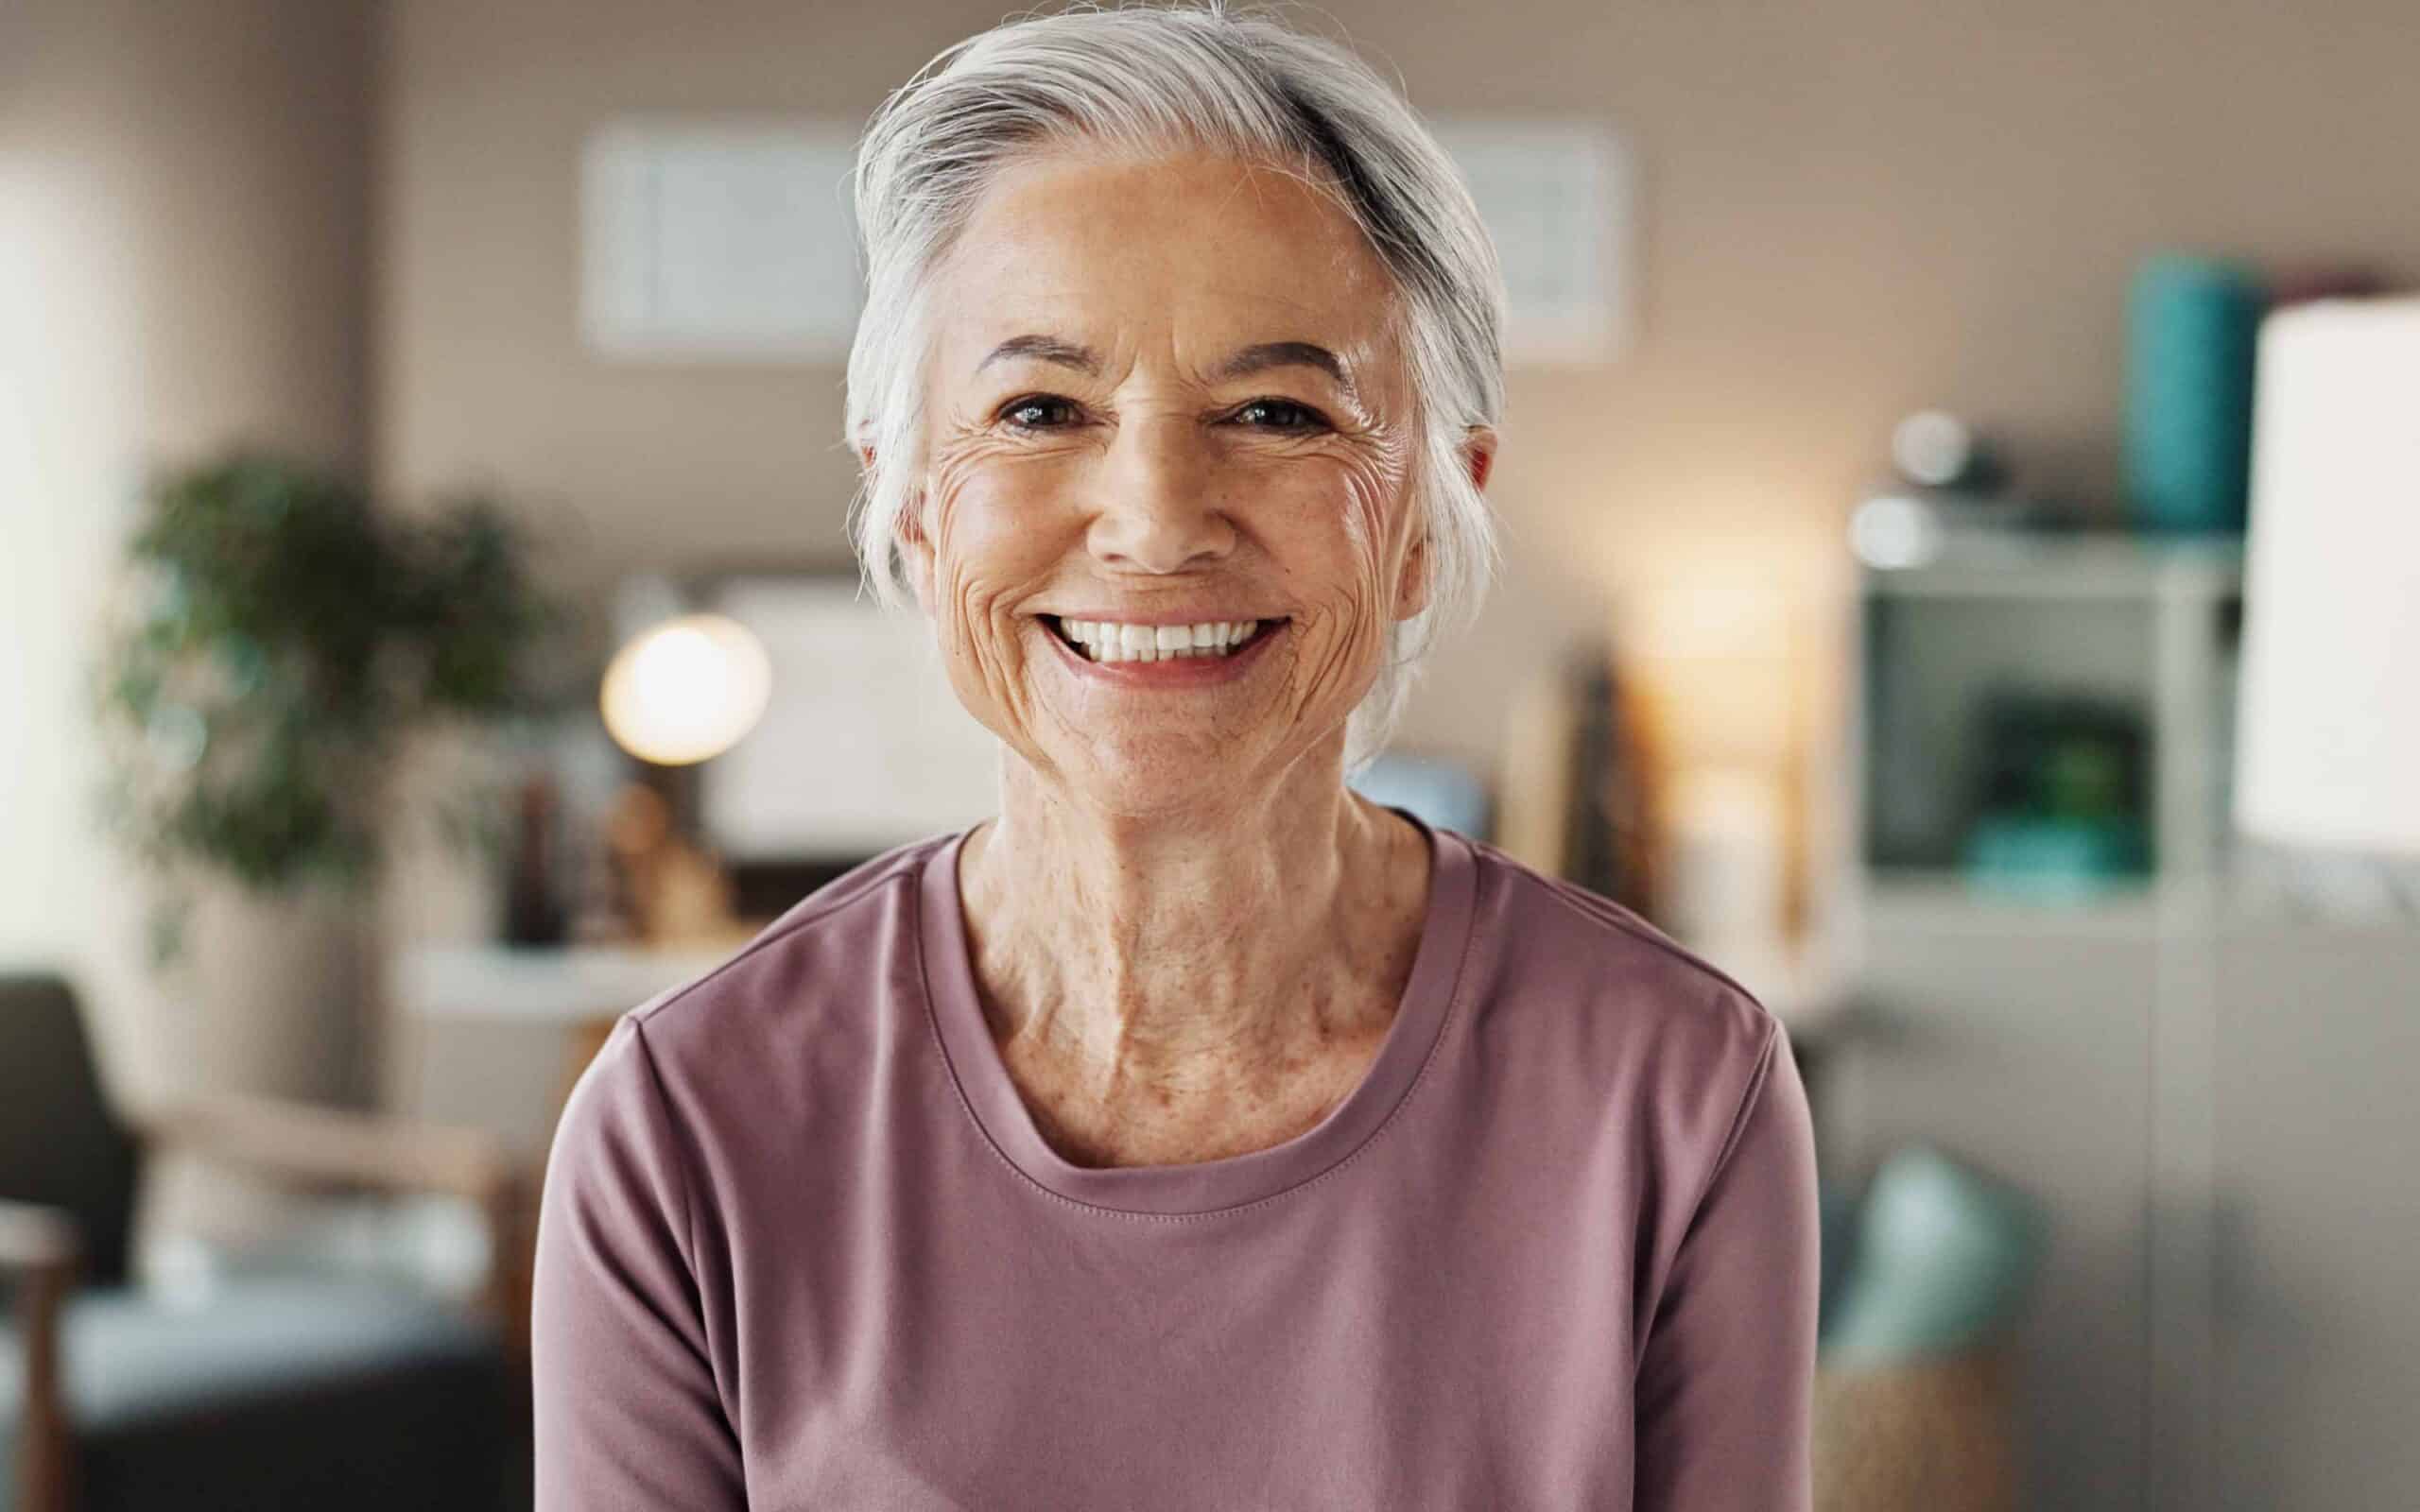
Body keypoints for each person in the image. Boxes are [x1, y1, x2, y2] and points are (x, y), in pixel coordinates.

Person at [530, 4, 1820, 1506]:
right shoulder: (684, 1127)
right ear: (911, 501)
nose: (1154, 519)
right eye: (1039, 410)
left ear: (1426, 514)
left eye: (1276, 411)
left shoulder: (1676, 1095)